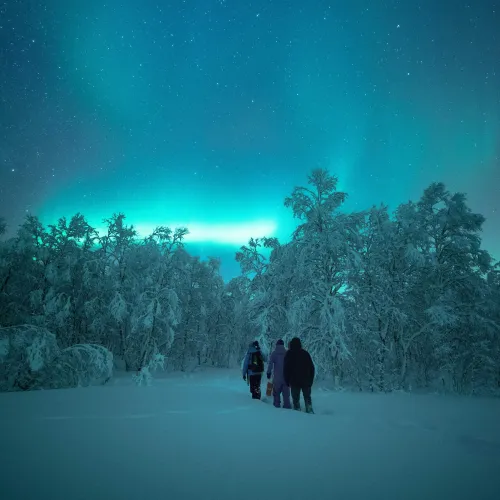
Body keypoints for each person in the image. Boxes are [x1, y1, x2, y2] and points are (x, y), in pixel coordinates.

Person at [283, 337, 315, 413]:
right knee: (307, 397)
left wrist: (287, 381)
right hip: (306, 380)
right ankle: (309, 409)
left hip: (294, 381)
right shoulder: (305, 353)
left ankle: (297, 411)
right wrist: (310, 380)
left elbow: (286, 369)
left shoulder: (289, 354)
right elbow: (312, 368)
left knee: (295, 398)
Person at [266, 339, 291, 409]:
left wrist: (268, 372)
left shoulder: (274, 353)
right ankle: (287, 407)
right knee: (286, 395)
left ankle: (276, 407)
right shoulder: (286, 353)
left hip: (277, 378)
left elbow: (270, 364)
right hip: (286, 378)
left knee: (276, 394)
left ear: (276, 345)